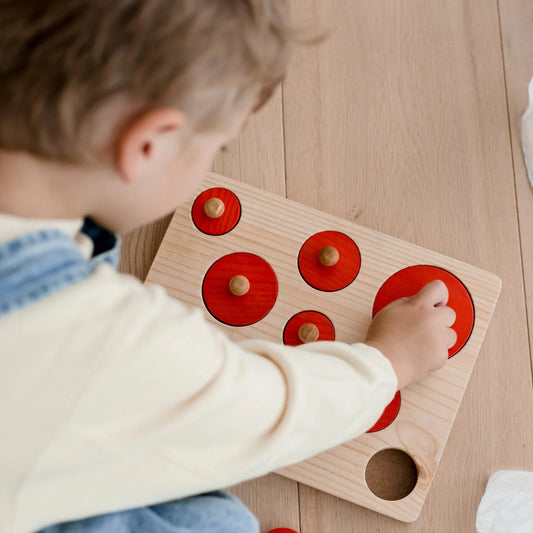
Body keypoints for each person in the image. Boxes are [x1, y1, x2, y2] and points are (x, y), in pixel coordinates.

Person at [0, 1, 457, 531]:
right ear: (148, 144)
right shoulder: (103, 344)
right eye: (217, 147)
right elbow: (261, 410)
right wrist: (388, 363)